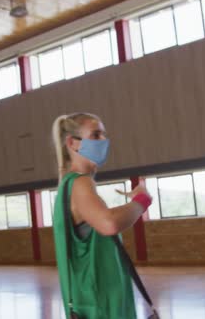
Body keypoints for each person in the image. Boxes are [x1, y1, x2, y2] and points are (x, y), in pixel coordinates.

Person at [51, 113, 153, 318]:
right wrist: (142, 201)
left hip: (97, 298)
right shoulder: (79, 183)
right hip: (98, 302)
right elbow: (109, 223)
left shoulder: (70, 185)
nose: (104, 140)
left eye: (104, 134)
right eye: (96, 134)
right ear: (73, 143)